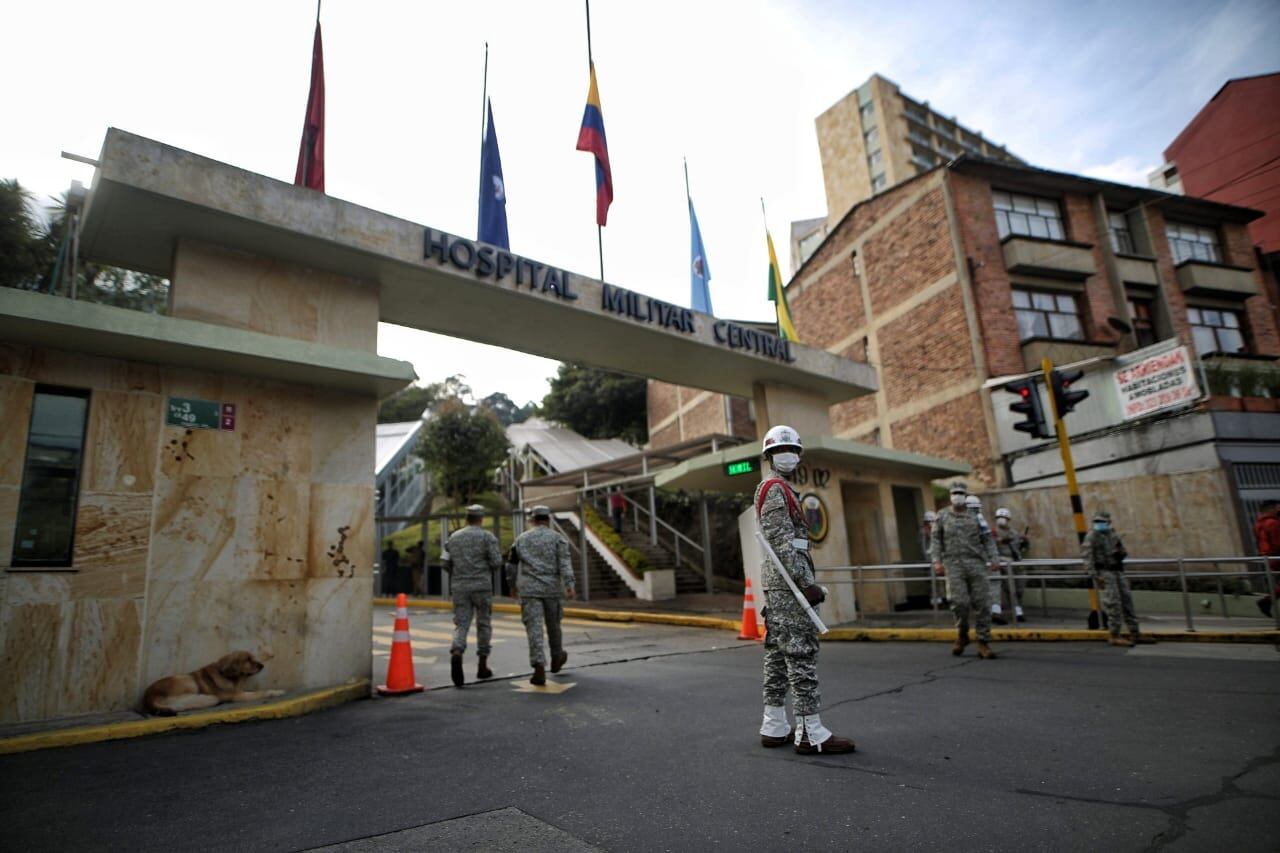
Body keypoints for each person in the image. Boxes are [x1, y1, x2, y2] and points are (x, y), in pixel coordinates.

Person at [754, 425, 856, 755]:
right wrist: (805, 584)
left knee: (778, 655)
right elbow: (781, 544)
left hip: (781, 584)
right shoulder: (773, 489)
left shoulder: (781, 489)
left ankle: (774, 725)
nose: (788, 455)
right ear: (769, 456)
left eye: (793, 450)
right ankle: (810, 732)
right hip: (788, 586)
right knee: (800, 653)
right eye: (780, 451)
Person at [509, 505, 577, 685]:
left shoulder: (521, 539)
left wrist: (512, 585)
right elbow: (565, 564)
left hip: (529, 591)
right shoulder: (558, 539)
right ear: (548, 519)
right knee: (554, 625)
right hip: (551, 590)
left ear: (532, 519)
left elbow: (511, 565)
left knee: (534, 629)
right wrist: (569, 585)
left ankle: (538, 665)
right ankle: (557, 656)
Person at [932, 481, 1000, 659]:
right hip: (954, 565)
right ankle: (962, 636)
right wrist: (937, 561)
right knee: (959, 603)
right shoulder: (942, 516)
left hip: (976, 563)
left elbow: (987, 539)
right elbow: (936, 540)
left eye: (961, 493)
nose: (958, 496)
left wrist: (994, 558)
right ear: (950, 496)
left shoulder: (975, 516)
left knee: (983, 603)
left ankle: (983, 642)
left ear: (966, 495)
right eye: (955, 493)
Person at [442, 504, 503, 687]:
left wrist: (458, 572)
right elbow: (497, 562)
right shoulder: (487, 537)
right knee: (483, 623)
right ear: (481, 519)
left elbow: (444, 562)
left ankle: (457, 651)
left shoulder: (453, 537)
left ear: (466, 518)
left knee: (461, 623)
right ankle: (482, 666)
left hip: (460, 586)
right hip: (482, 587)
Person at [1082, 511, 1154, 647]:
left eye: (1102, 522)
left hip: (1117, 570)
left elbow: (1123, 551)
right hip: (1105, 571)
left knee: (1127, 601)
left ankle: (1135, 633)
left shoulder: (1112, 534)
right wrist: (1095, 576)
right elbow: (1087, 557)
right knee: (1113, 603)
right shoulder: (1091, 537)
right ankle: (1114, 634)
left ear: (1108, 522)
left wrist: (1120, 553)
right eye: (1097, 522)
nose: (1099, 524)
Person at [965, 494, 1005, 626]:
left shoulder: (977, 522)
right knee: (985, 586)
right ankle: (992, 611)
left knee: (990, 583)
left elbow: (989, 542)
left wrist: (994, 559)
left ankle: (992, 611)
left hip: (978, 561)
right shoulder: (980, 521)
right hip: (976, 561)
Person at [994, 507, 1031, 623]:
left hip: (1016, 562)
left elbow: (1022, 549)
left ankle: (1018, 608)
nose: (1001, 520)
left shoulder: (1015, 533)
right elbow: (991, 546)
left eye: (1004, 517)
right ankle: (1016, 612)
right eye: (999, 517)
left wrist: (1025, 541)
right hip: (1002, 562)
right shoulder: (993, 533)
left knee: (1019, 587)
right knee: (1009, 589)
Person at [1254, 501, 1280, 618]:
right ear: (1271, 508)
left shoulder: (1258, 524)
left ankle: (1267, 601)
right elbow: (1277, 542)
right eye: (1277, 508)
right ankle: (1267, 601)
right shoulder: (1273, 523)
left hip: (1268, 556)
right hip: (1276, 555)